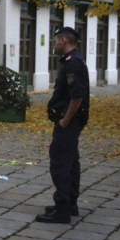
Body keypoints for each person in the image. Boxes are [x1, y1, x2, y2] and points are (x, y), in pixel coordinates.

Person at [36, 26, 89, 224]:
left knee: (60, 163)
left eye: (56, 40)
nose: (54, 44)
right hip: (71, 120)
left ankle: (62, 210)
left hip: (69, 121)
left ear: (64, 40)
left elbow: (77, 95)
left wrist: (65, 119)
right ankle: (70, 204)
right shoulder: (73, 60)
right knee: (71, 161)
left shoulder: (72, 62)